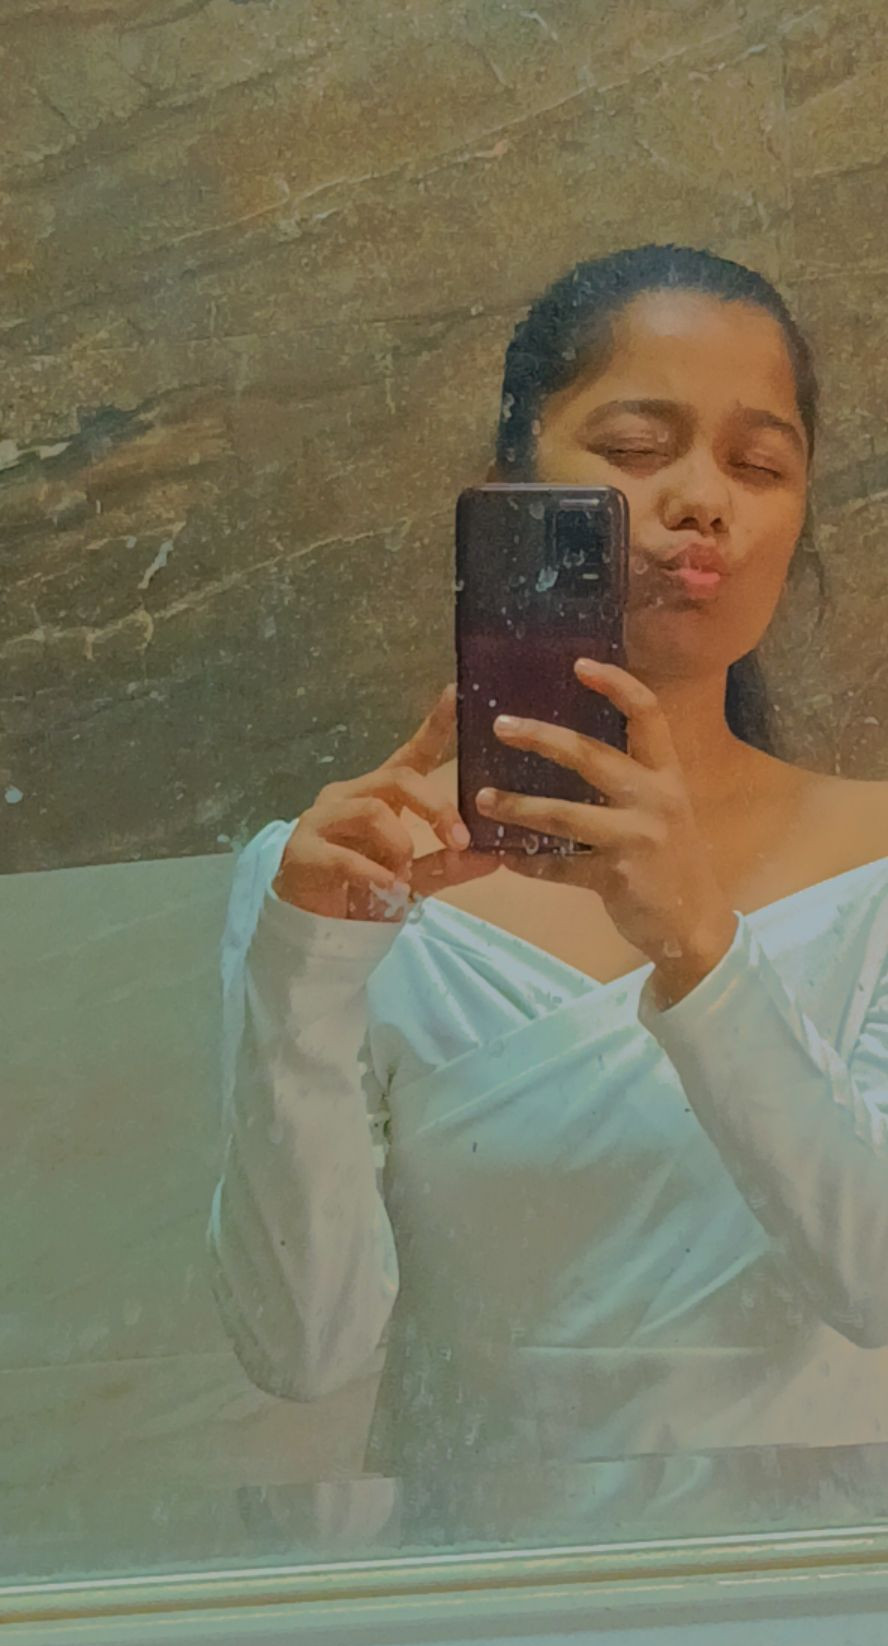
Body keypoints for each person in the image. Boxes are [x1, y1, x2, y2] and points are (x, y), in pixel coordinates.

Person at [206, 244, 888, 1492]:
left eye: (758, 465)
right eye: (635, 448)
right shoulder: (339, 877)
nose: (703, 501)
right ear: (510, 493)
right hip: (494, 1592)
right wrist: (305, 968)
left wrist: (702, 948)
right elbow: (304, 1351)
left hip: (827, 1593)